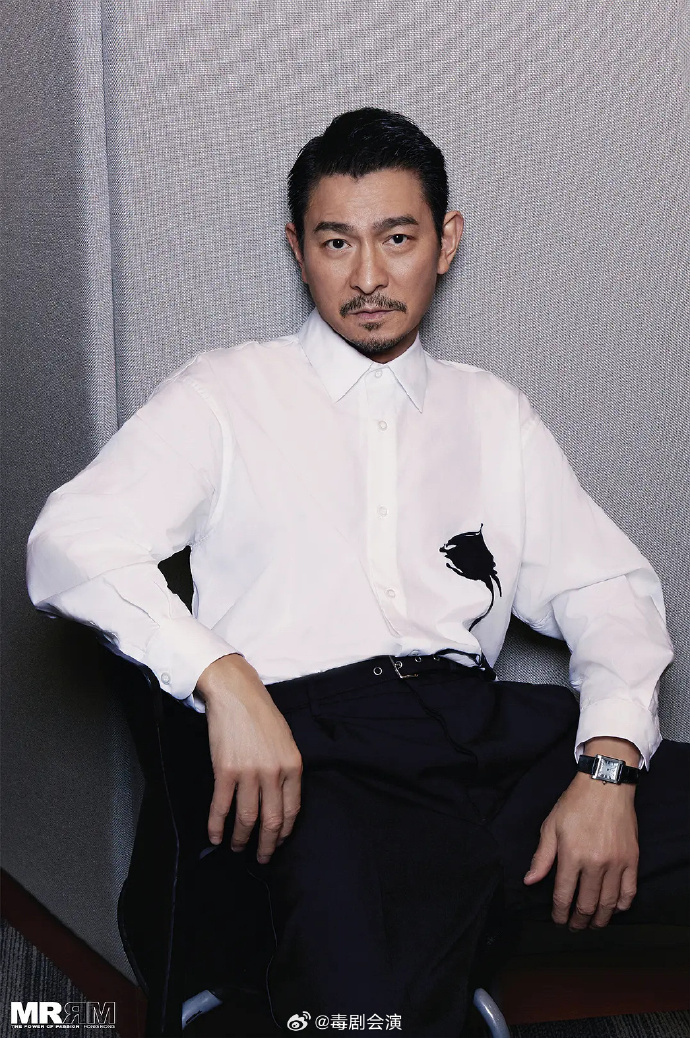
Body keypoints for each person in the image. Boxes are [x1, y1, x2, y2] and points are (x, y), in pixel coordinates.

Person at [27, 108, 688, 1036]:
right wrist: (221, 674)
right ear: (297, 250)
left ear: (445, 243)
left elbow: (605, 587)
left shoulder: (492, 414)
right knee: (364, 1007)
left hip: (482, 732)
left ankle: (440, 966)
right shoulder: (226, 393)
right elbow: (69, 541)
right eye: (337, 242)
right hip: (321, 751)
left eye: (397, 239)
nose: (369, 276)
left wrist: (608, 765)